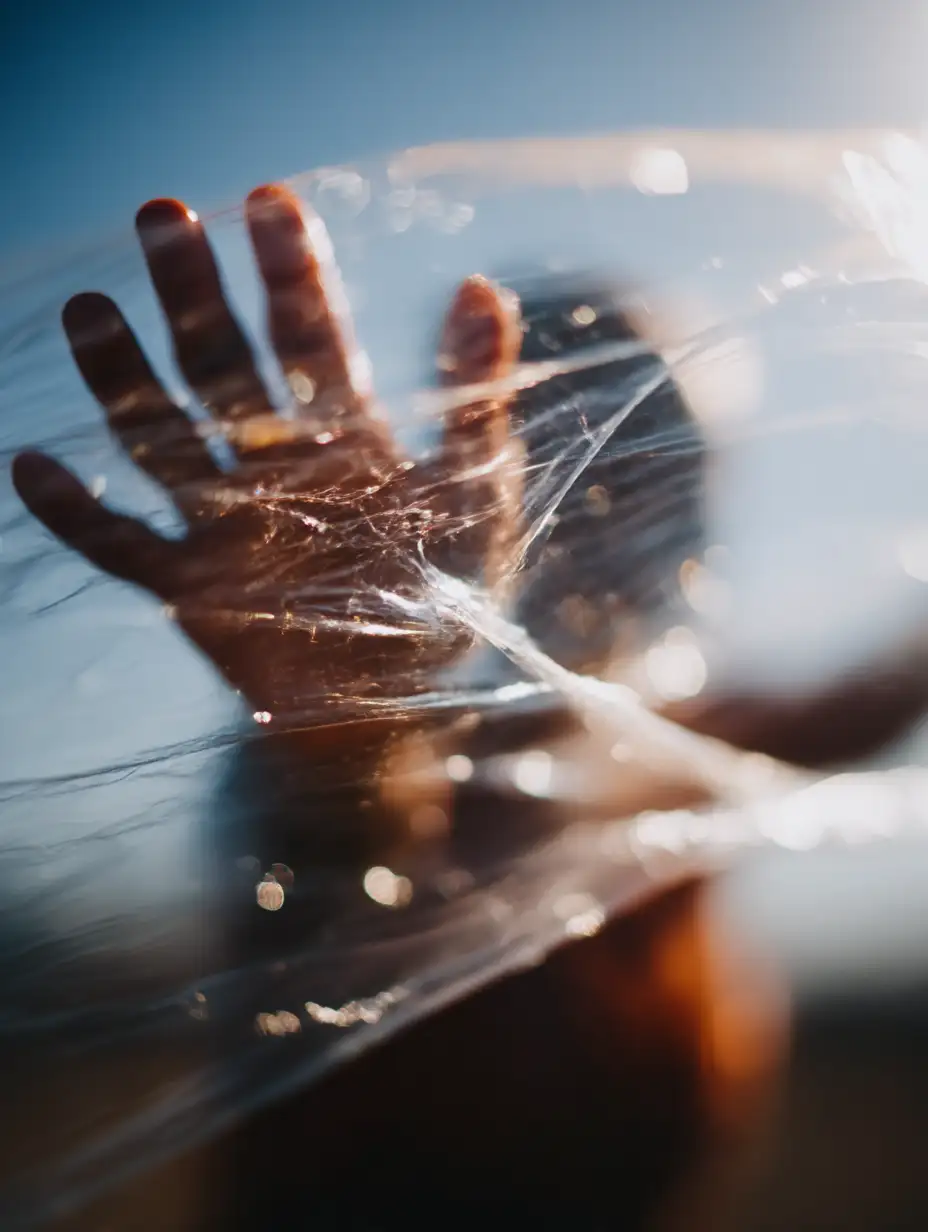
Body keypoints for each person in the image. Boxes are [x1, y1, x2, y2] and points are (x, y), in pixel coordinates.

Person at [9, 182, 928, 1230]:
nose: (635, 504)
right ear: (489, 477)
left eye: (670, 458)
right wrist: (349, 718)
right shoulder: (404, 745)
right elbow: (348, 870)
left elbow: (869, 705)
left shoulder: (687, 741)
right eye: (596, 458)